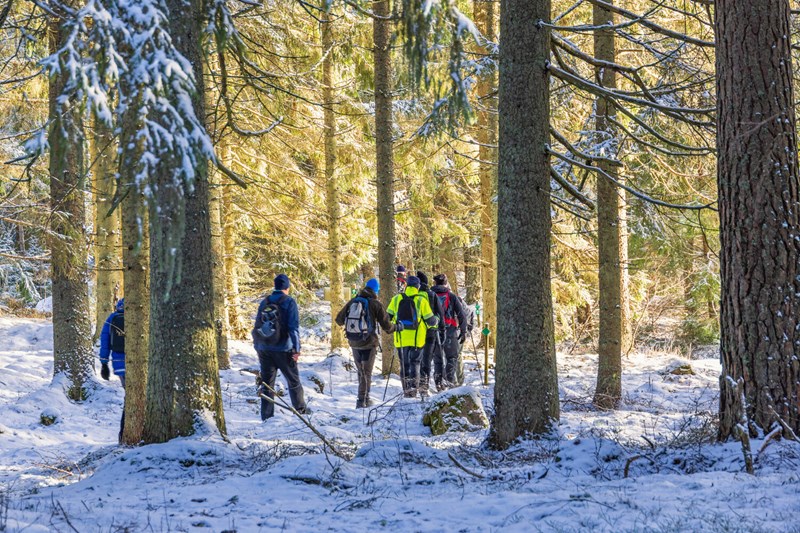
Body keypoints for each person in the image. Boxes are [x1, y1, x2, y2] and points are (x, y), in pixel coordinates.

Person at [253, 274, 308, 421]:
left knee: (267, 384)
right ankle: (301, 412)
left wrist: (258, 346)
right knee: (293, 381)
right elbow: (293, 328)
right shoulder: (289, 302)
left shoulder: (265, 301)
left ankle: (266, 416)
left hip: (264, 348)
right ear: (287, 287)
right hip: (283, 349)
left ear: (275, 286)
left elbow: (257, 325)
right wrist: (296, 349)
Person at [335, 278, 396, 408]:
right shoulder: (375, 304)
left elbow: (338, 320)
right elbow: (387, 327)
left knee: (361, 372)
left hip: (354, 342)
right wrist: (397, 327)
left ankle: (363, 398)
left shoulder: (353, 301)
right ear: (376, 290)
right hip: (369, 343)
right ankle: (362, 400)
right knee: (366, 372)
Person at [387, 275, 438, 397]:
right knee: (415, 363)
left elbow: (387, 318)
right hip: (417, 339)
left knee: (404, 364)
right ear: (417, 287)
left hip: (400, 338)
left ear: (406, 286)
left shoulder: (396, 299)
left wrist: (394, 325)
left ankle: (406, 390)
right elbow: (430, 321)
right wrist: (436, 320)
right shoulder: (421, 300)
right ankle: (413, 390)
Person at [431, 274, 468, 388]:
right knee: (451, 357)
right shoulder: (451, 296)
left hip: (435, 331)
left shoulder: (429, 296)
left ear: (435, 283)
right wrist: (463, 331)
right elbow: (461, 315)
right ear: (446, 283)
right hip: (450, 331)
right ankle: (450, 382)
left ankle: (438, 384)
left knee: (437, 359)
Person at [99, 298, 126, 441]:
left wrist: (104, 363)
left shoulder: (112, 318)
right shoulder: (145, 315)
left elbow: (105, 341)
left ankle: (123, 434)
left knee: (130, 397)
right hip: (142, 364)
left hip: (119, 364)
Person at [415, 271, 445, 395]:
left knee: (416, 360)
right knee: (427, 359)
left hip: (414, 332)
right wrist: (442, 329)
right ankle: (426, 385)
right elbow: (440, 314)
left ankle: (415, 385)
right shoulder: (432, 295)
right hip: (430, 332)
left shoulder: (412, 296)